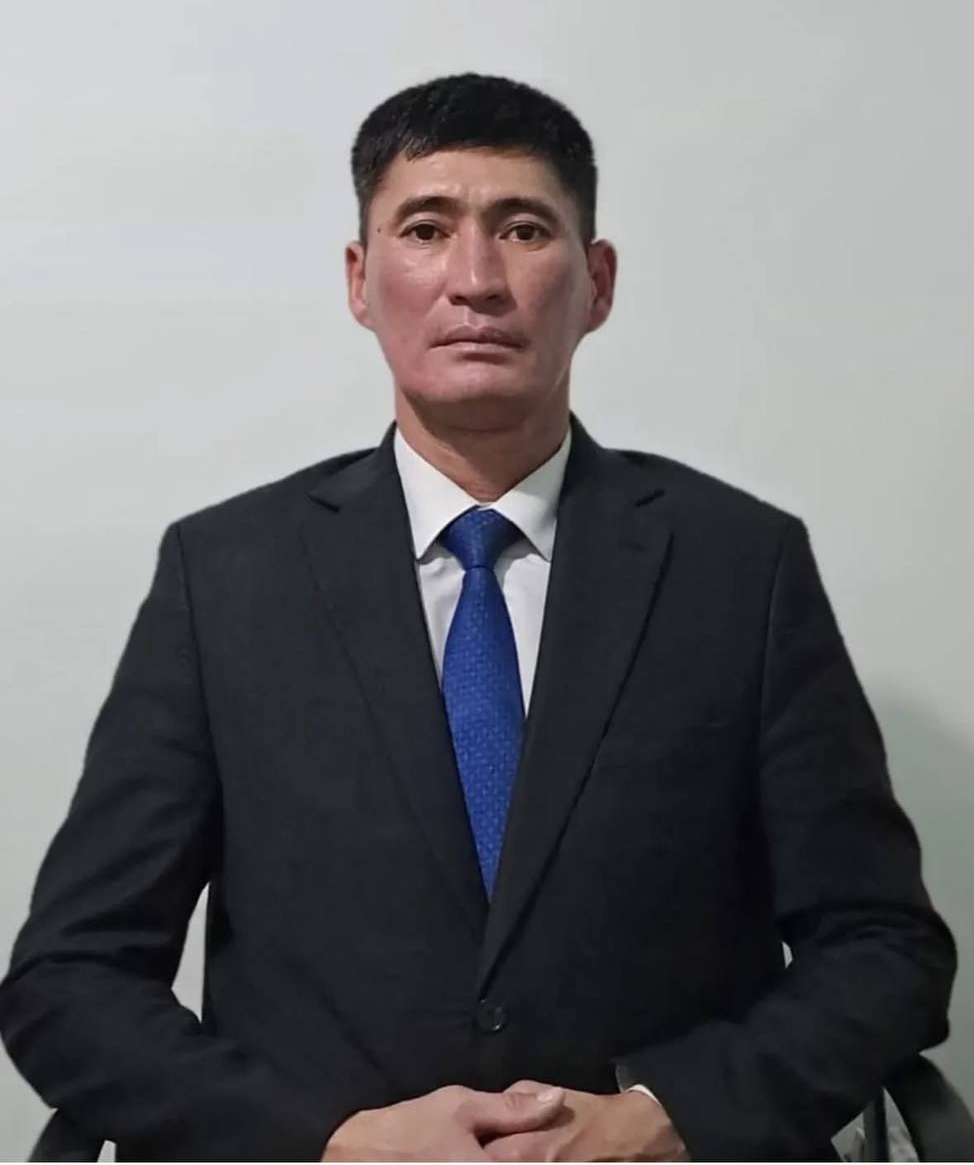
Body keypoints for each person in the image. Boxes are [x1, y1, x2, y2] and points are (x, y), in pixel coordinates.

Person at [0, 72, 956, 1162]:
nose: (475, 280)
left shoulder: (738, 566)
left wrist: (662, 1120)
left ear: (596, 282)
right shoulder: (223, 578)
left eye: (523, 229)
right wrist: (331, 1141)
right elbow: (70, 979)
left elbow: (882, 948)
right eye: (424, 229)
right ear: (360, 281)